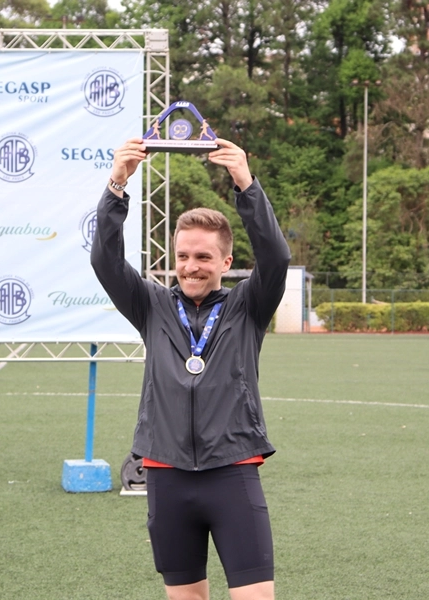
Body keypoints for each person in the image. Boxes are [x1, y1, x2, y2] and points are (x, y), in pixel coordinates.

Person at [91, 137, 291, 600]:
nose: (191, 267)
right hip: (166, 474)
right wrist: (117, 185)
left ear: (226, 261)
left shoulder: (248, 305)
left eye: (203, 257)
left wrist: (245, 184)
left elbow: (276, 257)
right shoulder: (150, 304)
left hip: (232, 472)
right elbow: (105, 259)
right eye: (183, 256)